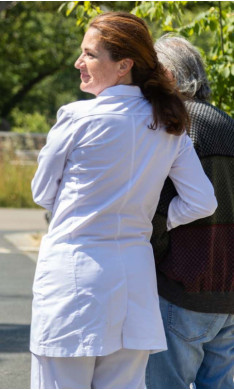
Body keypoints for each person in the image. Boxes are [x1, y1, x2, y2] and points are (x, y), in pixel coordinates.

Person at [29, 12, 218, 389]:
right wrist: (152, 220)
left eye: (89, 55)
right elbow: (202, 201)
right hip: (134, 279)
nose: (78, 62)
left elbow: (42, 193)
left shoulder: (77, 118)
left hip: (74, 276)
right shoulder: (168, 122)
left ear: (123, 66)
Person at [145, 35, 234, 389]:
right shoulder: (228, 123)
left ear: (166, 74)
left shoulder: (176, 126)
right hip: (227, 296)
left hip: (181, 289)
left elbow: (154, 212)